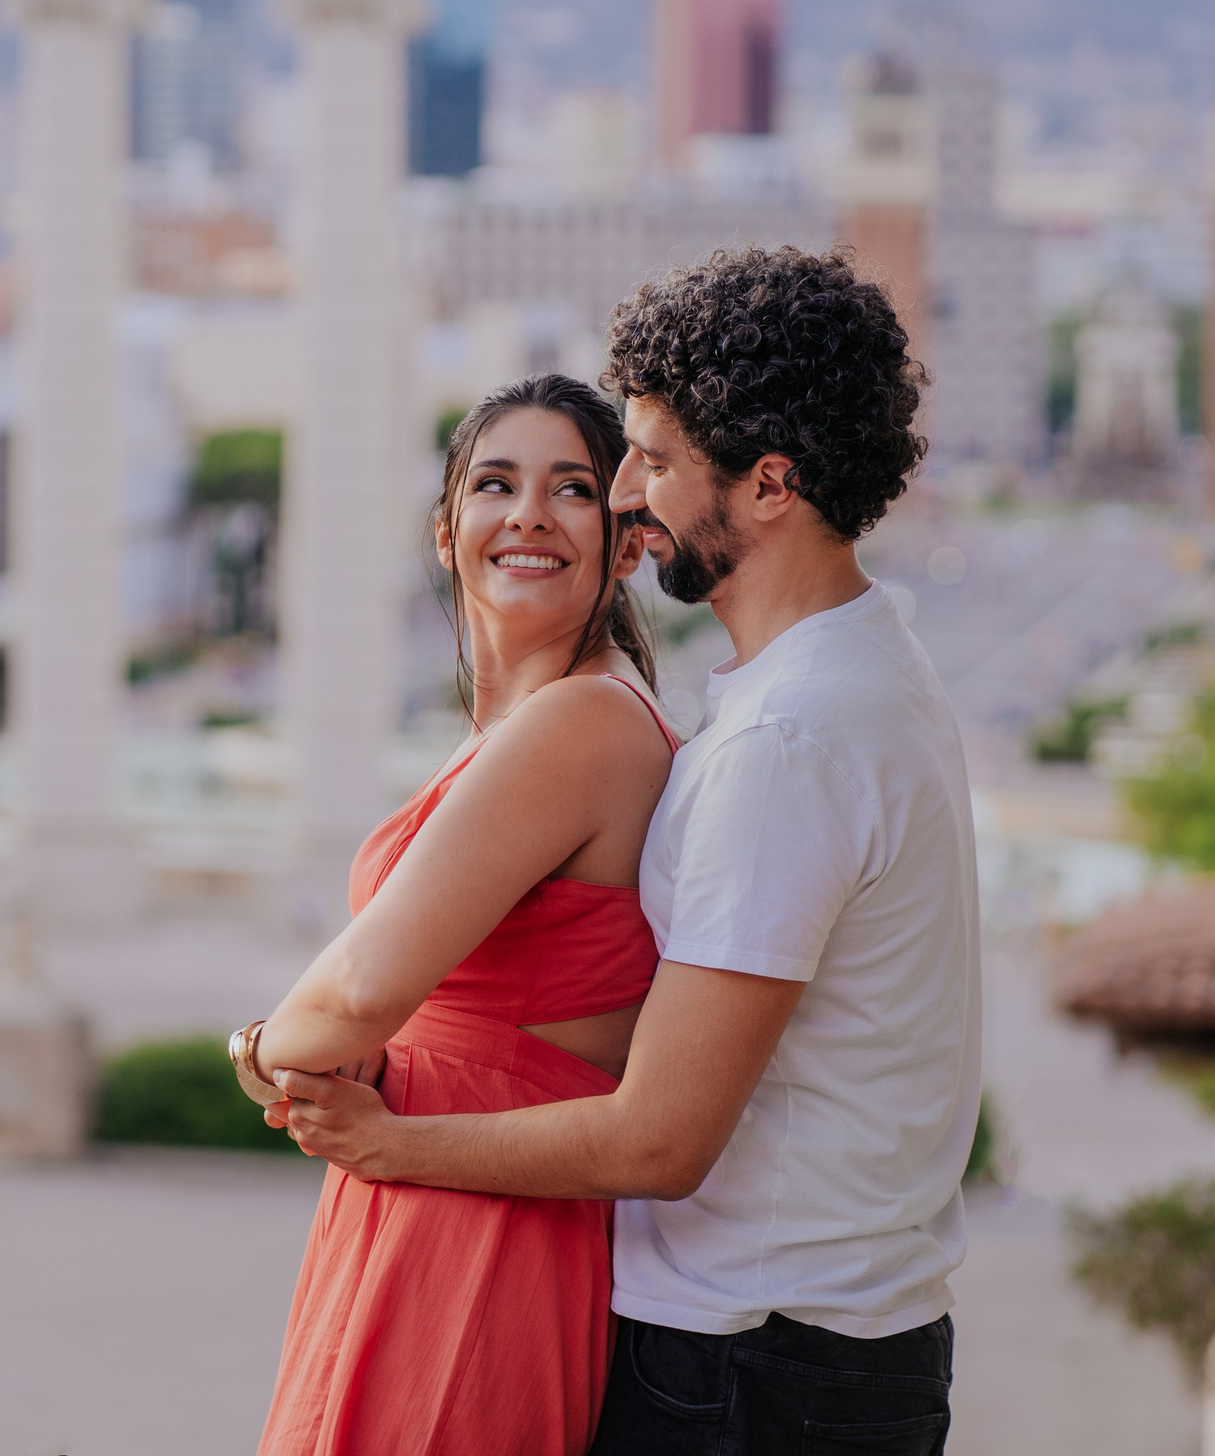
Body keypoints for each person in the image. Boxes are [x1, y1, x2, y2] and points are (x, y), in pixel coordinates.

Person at [275, 247, 978, 1456]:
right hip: (800, 1345)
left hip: (754, 1361)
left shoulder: (787, 742)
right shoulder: (855, 672)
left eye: (649, 461)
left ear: (768, 486)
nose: (628, 497)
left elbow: (659, 1135)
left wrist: (395, 1142)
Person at [236, 373, 679, 1456]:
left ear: (625, 545)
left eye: (572, 488)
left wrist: (257, 1052)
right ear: (446, 533)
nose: (527, 513)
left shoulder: (580, 722)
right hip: (414, 1179)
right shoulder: (524, 726)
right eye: (495, 483)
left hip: (482, 1233)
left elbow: (360, 989)